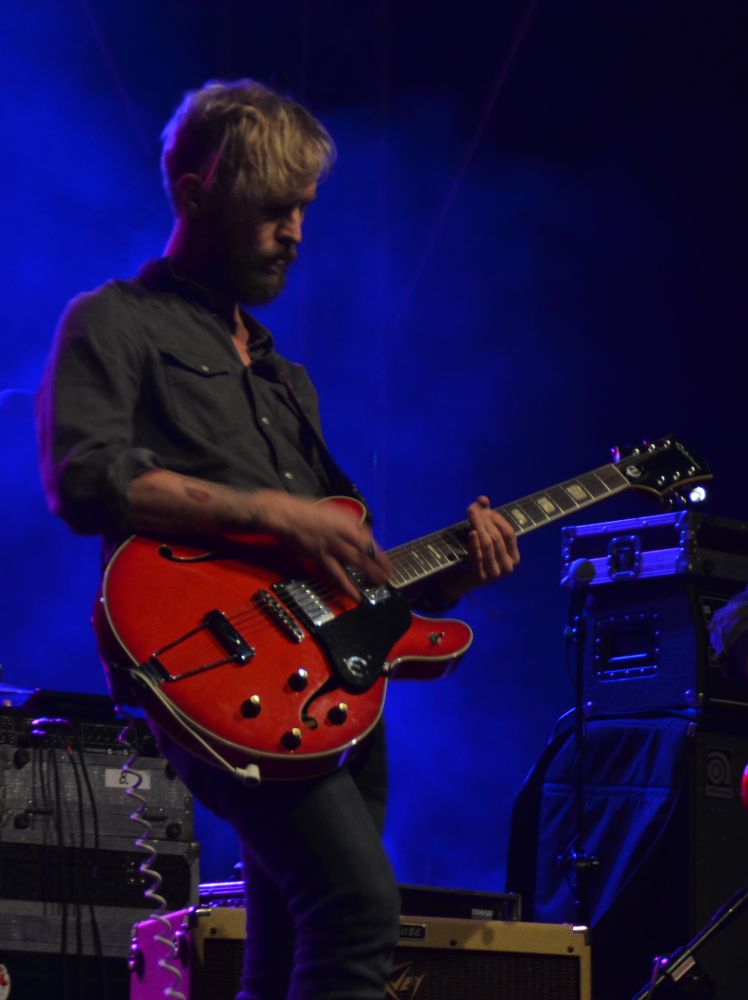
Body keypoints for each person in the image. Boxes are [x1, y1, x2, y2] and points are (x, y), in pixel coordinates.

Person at [36, 79, 520, 1000]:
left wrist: (452, 572)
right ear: (193, 193)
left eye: (303, 210)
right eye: (272, 210)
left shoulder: (286, 378)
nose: (295, 233)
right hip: (215, 666)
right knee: (356, 910)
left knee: (288, 933)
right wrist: (271, 512)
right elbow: (85, 479)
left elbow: (343, 558)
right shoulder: (112, 322)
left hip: (332, 672)